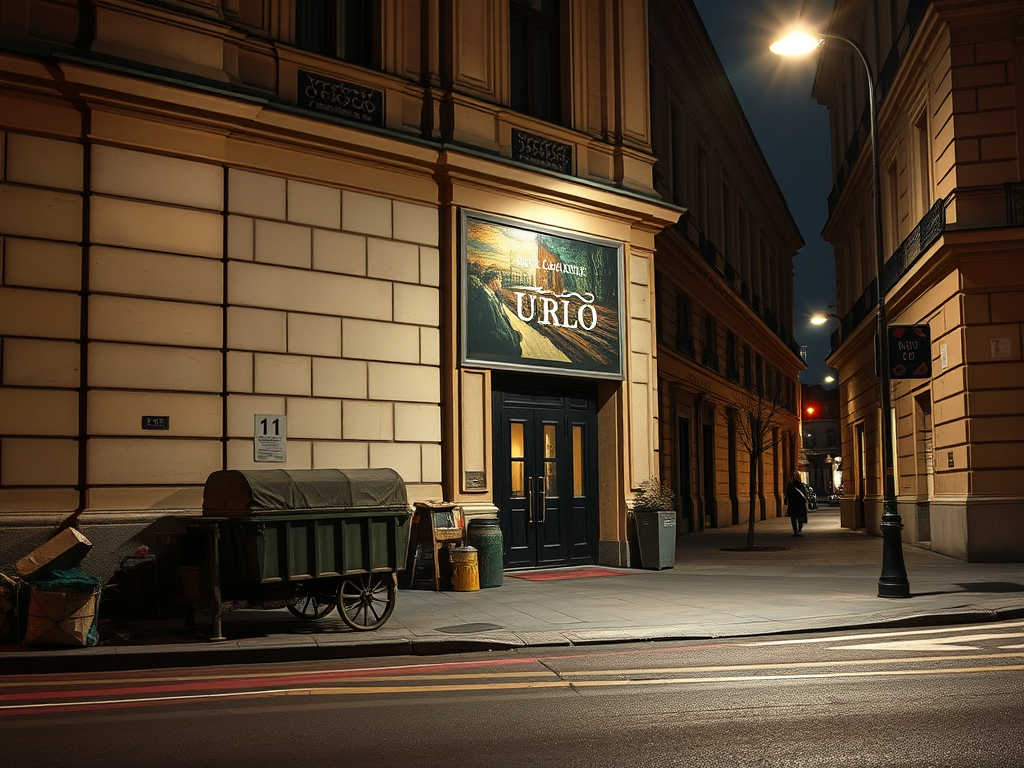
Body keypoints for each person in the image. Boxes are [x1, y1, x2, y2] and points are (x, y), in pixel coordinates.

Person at [467, 267, 522, 359]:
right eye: (500, 280)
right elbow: (487, 329)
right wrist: (508, 339)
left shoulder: (493, 296)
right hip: (496, 349)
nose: (501, 283)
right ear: (493, 280)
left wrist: (514, 335)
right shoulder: (482, 298)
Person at [784, 472, 809, 536]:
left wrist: (786, 501)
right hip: (800, 504)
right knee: (800, 516)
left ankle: (795, 531)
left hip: (793, 503)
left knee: (794, 517)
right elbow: (805, 494)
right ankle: (799, 530)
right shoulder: (801, 485)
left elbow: (787, 494)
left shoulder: (790, 485)